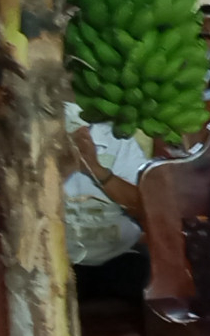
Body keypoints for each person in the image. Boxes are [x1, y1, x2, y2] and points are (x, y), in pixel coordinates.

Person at [62, 101, 152, 303]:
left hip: (118, 256)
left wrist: (95, 169)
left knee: (139, 274)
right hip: (58, 259)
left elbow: (143, 205)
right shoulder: (30, 139)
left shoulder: (117, 138)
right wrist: (62, 168)